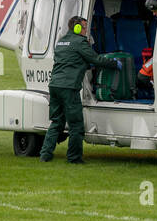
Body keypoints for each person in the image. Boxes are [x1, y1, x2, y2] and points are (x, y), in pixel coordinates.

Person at [40, 16, 121, 164]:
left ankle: (45, 155)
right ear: (77, 28)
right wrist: (114, 64)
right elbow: (95, 59)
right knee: (76, 125)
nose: (86, 30)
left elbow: (70, 61)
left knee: (56, 122)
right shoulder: (80, 42)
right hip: (69, 88)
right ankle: (74, 158)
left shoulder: (61, 42)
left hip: (55, 86)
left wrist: (85, 65)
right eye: (84, 27)